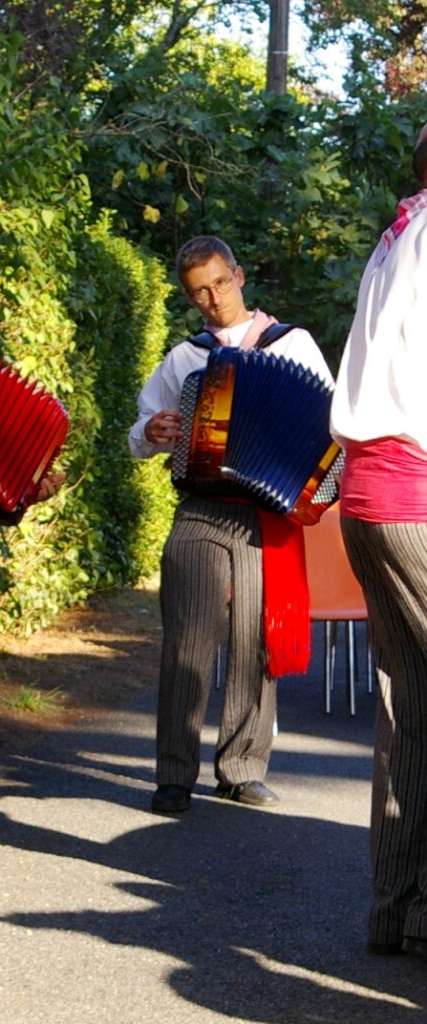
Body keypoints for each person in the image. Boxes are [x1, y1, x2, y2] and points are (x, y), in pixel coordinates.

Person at [129, 235, 332, 815]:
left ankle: (242, 769)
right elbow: (138, 435)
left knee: (255, 643)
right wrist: (154, 432)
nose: (213, 299)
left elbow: (331, 425)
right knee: (187, 643)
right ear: (189, 298)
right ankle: (173, 773)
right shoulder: (184, 358)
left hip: (265, 514)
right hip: (199, 506)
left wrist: (314, 484)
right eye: (199, 292)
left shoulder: (292, 345)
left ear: (238, 276)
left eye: (220, 283)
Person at [330, 124, 427, 961]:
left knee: (410, 706)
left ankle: (394, 913)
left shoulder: (396, 237)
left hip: (369, 499)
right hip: (418, 495)